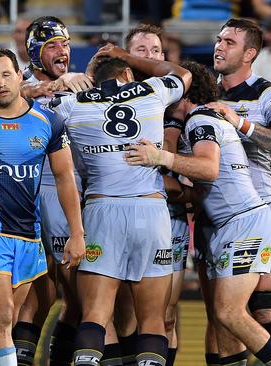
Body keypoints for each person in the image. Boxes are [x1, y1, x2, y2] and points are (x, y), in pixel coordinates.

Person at [127, 60, 271, 366]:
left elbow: (209, 169)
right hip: (239, 222)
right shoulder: (201, 121)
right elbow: (201, 187)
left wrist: (159, 157)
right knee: (226, 315)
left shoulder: (200, 120)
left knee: (231, 312)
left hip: (243, 222)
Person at [52, 44, 191, 366]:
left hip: (102, 212)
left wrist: (70, 81)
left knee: (95, 315)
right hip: (152, 212)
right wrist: (129, 56)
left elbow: (24, 106)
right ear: (128, 74)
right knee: (153, 321)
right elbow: (182, 74)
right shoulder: (152, 91)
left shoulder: (70, 104)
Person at [0, 47, 85, 366]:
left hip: (27, 236)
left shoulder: (47, 122)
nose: (1, 83)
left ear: (20, 75)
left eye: (6, 74)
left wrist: (77, 233)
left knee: (2, 320)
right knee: (4, 315)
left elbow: (65, 178)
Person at [207, 17, 271, 364]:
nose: (219, 46)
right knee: (247, 312)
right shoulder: (204, 91)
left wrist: (241, 123)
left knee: (242, 311)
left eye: (229, 42)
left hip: (253, 211)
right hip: (211, 213)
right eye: (219, 39)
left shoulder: (266, 92)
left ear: (250, 53)